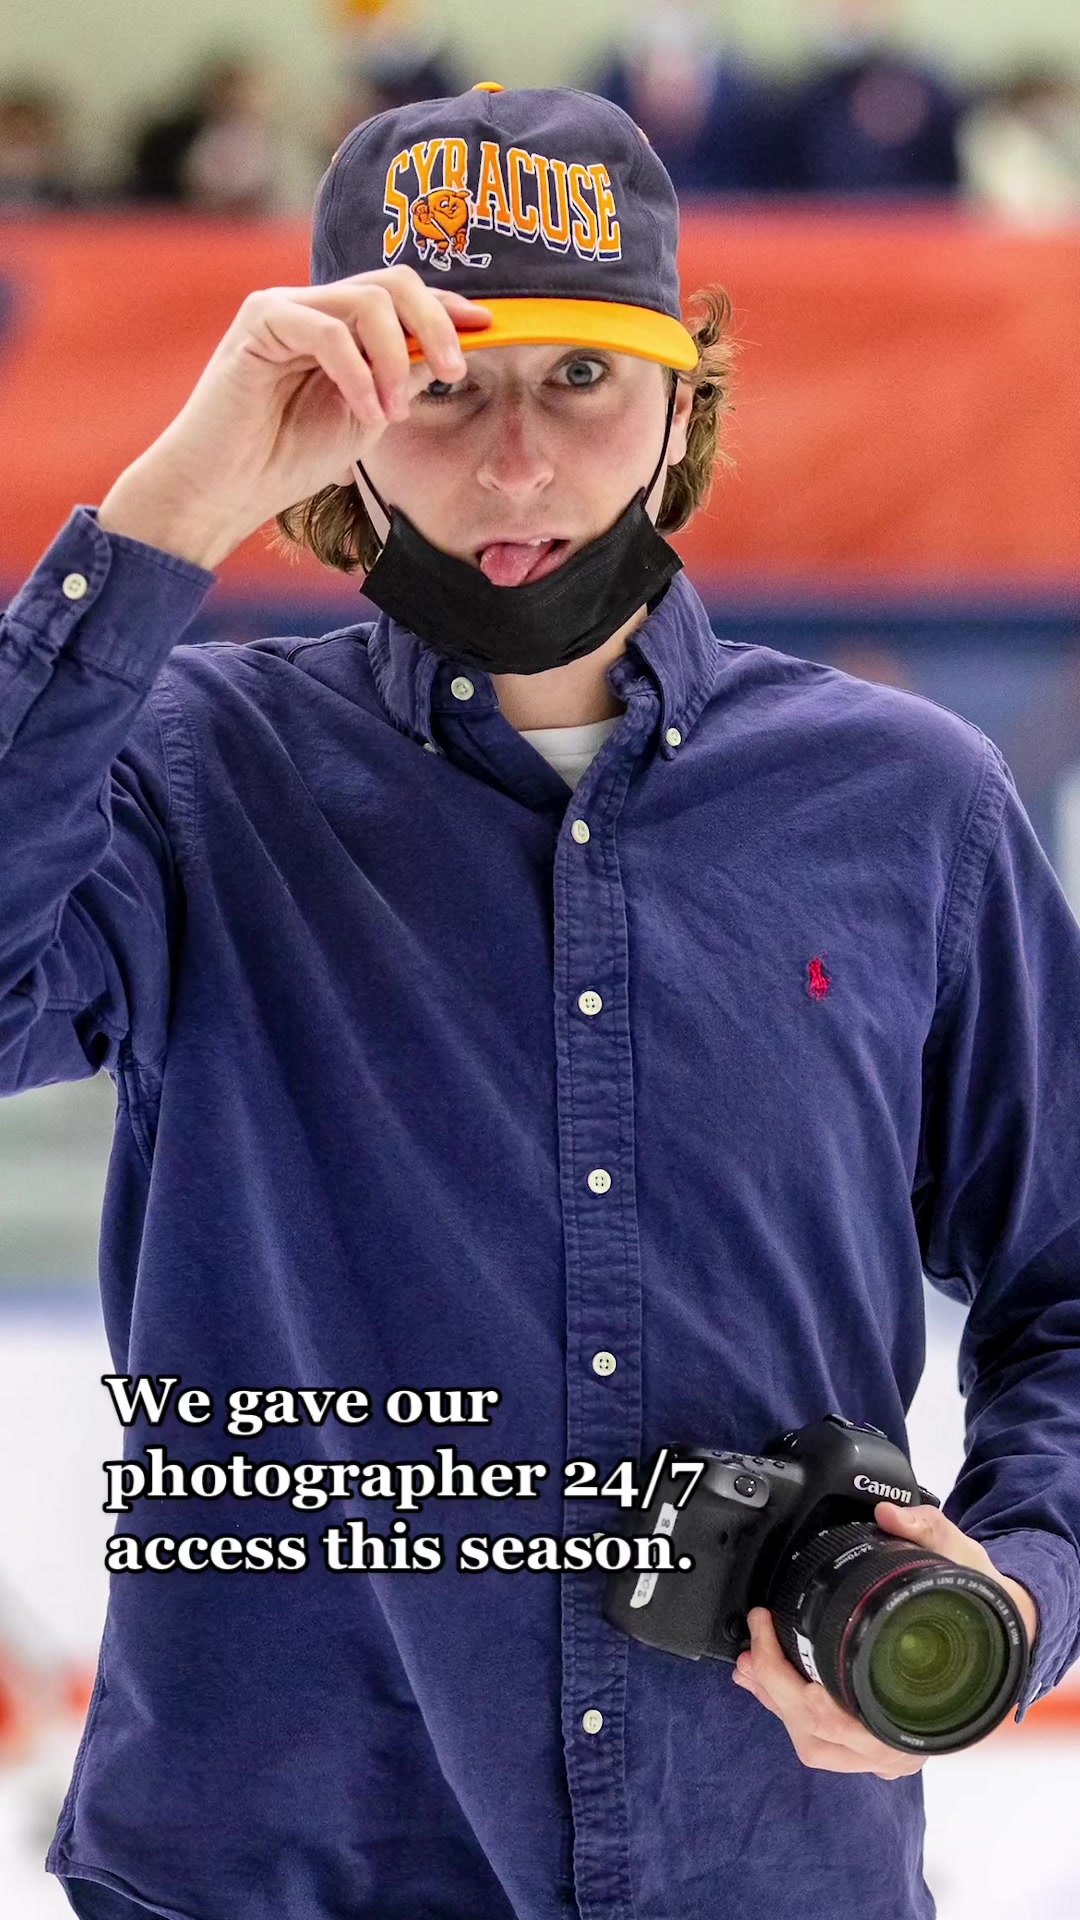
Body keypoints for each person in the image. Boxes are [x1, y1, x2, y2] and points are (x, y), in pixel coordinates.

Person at [1, 80, 1077, 1920]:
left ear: (683, 406)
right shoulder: (189, 776)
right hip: (271, 1875)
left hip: (761, 1873)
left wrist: (1024, 1582)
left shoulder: (911, 805)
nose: (515, 466)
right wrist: (169, 510)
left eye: (582, 379)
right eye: (441, 386)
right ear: (338, 423)